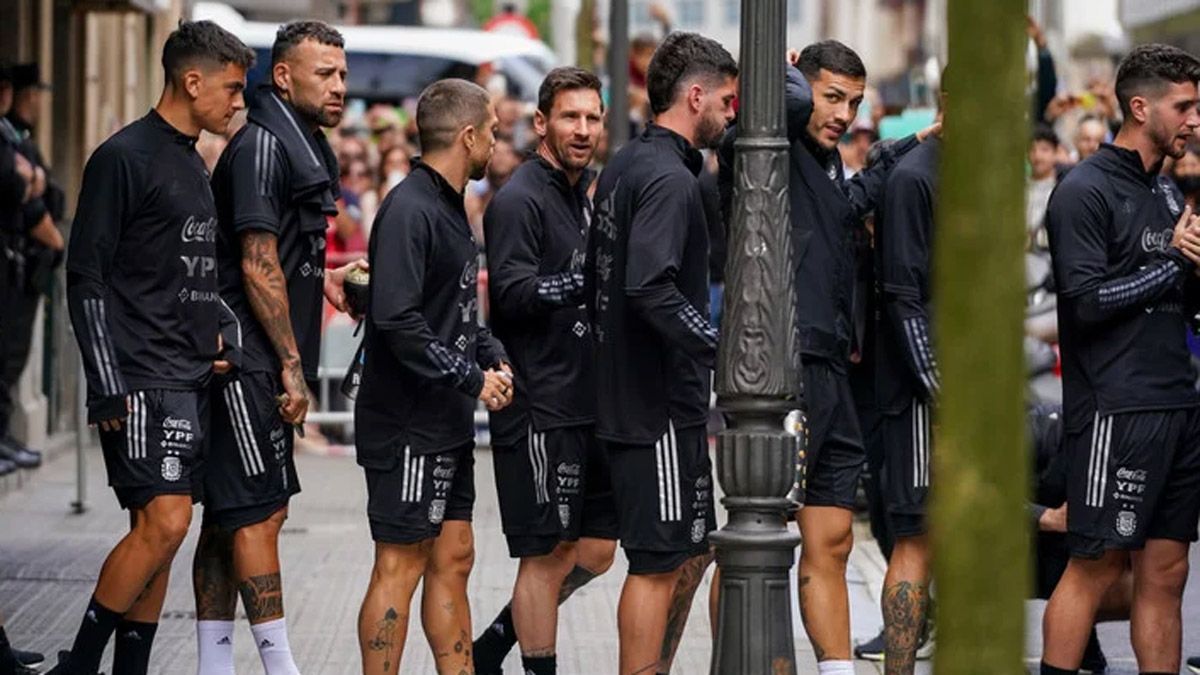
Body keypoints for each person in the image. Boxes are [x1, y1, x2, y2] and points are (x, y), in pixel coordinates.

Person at [717, 41, 936, 675]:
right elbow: (766, 116)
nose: (843, 113)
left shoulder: (829, 160)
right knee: (750, 540)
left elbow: (851, 203)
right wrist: (777, 75)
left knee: (834, 536)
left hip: (833, 365)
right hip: (779, 367)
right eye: (831, 96)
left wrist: (918, 134)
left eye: (855, 103)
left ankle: (836, 666)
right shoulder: (763, 144)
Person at [49, 21, 253, 675]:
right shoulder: (122, 157)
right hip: (138, 380)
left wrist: (222, 336)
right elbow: (86, 275)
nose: (234, 103)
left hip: (188, 375)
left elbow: (184, 272)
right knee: (163, 524)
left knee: (162, 532)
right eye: (230, 88)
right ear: (192, 82)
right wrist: (105, 380)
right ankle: (80, 664)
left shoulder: (193, 160)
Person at [191, 20, 360, 675]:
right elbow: (257, 260)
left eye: (343, 74)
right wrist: (291, 365)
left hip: (261, 357)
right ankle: (280, 665)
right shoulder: (262, 145)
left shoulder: (303, 142)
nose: (339, 86)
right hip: (250, 362)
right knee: (260, 514)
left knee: (230, 518)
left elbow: (284, 257)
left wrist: (330, 278)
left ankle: (213, 663)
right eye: (326, 74)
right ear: (283, 77)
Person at [1041, 43, 1200, 675]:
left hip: (1177, 403)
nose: (1195, 120)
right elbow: (1084, 304)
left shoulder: (1164, 192)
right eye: (1184, 106)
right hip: (1114, 408)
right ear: (1140, 107)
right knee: (1096, 565)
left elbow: (1178, 296)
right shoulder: (1083, 191)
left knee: (1167, 570)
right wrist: (1173, 264)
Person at [586, 31, 735, 675]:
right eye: (728, 101)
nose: (732, 114)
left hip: (635, 394)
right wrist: (723, 348)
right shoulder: (671, 178)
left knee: (691, 551)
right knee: (654, 565)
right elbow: (648, 285)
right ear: (694, 95)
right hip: (654, 406)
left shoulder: (627, 160)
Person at [354, 78, 511, 675]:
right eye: (493, 131)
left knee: (455, 555)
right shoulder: (409, 207)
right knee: (400, 564)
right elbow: (396, 319)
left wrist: (492, 353)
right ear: (467, 135)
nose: (497, 142)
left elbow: (460, 311)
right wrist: (472, 379)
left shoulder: (451, 205)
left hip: (444, 422)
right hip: (405, 426)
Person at [471, 67, 617, 675]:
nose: (583, 130)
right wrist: (587, 280)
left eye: (592, 118)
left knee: (599, 551)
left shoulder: (579, 193)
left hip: (587, 403)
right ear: (541, 124)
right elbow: (513, 292)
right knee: (547, 554)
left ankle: (494, 644)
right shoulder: (520, 199)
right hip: (538, 404)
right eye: (570, 117)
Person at [875, 76, 945, 675]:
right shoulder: (916, 177)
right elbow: (903, 296)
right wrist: (939, 384)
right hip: (923, 391)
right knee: (917, 534)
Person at [0, 61, 64, 472]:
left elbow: (49, 193)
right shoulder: (8, 139)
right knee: (6, 354)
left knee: (12, 355)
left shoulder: (16, 137)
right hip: (12, 257)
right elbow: (16, 189)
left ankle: (4, 436)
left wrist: (35, 181)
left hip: (22, 263)